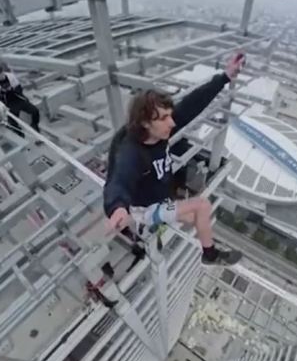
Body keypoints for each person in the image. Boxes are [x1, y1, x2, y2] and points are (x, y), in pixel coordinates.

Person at [103, 53, 246, 266]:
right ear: (144, 123)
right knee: (202, 206)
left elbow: (193, 103)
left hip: (160, 199)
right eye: (164, 118)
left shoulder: (159, 131)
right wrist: (117, 208)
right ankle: (210, 255)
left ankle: (155, 228)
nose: (172, 123)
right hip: (144, 210)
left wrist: (225, 76)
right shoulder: (131, 153)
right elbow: (118, 180)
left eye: (170, 115)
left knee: (196, 219)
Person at [0, 62, 41, 140]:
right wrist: (3, 92)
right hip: (9, 104)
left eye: (0, 73)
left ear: (3, 71)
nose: (0, 75)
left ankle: (34, 125)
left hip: (18, 99)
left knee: (35, 111)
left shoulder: (10, 76)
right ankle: (20, 135)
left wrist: (11, 89)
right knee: (12, 123)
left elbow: (19, 89)